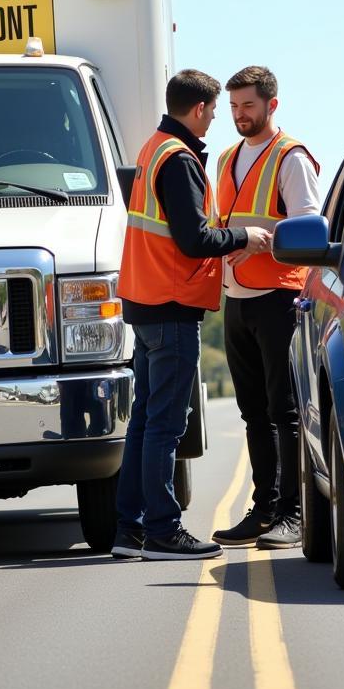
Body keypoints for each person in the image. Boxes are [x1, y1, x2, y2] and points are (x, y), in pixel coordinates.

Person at [113, 69, 272, 561]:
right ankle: (162, 530)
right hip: (171, 303)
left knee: (144, 421)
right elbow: (194, 238)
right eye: (215, 112)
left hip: (146, 302)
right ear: (200, 109)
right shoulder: (179, 159)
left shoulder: (152, 148)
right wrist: (244, 237)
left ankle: (131, 529)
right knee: (164, 424)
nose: (216, 121)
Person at [212, 66, 320, 550]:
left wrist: (261, 246)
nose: (239, 115)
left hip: (279, 298)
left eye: (248, 106)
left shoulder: (291, 158)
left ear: (271, 105)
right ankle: (264, 510)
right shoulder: (226, 158)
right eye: (233, 107)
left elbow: (309, 232)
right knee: (253, 412)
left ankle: (295, 514)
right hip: (236, 300)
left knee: (286, 411)